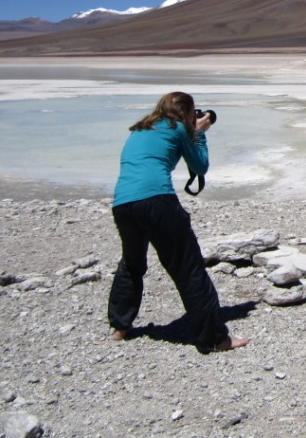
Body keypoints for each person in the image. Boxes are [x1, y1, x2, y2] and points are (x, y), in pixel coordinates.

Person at [107, 91, 249, 352]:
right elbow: (201, 166)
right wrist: (200, 133)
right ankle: (215, 338)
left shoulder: (139, 130)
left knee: (131, 263)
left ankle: (120, 326)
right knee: (189, 268)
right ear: (186, 112)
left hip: (123, 203)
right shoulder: (180, 130)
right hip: (157, 201)